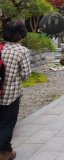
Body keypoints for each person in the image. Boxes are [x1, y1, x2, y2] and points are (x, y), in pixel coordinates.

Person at [0, 20, 31, 160]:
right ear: (21, 34)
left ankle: (6, 151)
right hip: (10, 94)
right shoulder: (22, 51)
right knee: (7, 124)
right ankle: (4, 152)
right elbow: (26, 75)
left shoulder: (1, 48)